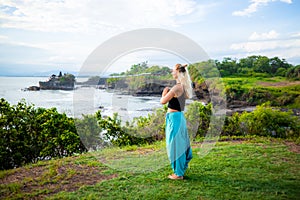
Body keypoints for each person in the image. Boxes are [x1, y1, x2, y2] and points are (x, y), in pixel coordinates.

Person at [160, 63, 193, 180]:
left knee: (175, 145)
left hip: (174, 118)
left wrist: (164, 92)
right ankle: (179, 171)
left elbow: (163, 101)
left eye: (173, 70)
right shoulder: (182, 87)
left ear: (178, 73)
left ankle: (178, 174)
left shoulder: (177, 88)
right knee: (178, 144)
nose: (172, 72)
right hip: (177, 117)